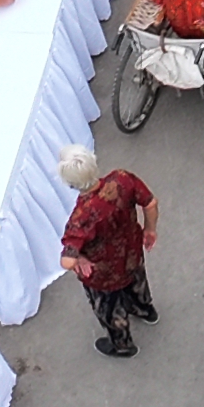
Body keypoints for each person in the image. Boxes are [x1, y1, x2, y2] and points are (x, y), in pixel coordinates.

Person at [57, 147, 160, 359]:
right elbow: (150, 203)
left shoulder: (81, 217)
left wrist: (80, 259)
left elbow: (67, 261)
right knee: (136, 282)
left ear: (71, 184)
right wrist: (149, 230)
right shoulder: (122, 179)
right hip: (131, 252)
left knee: (110, 309)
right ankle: (145, 310)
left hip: (103, 273)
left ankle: (122, 345)